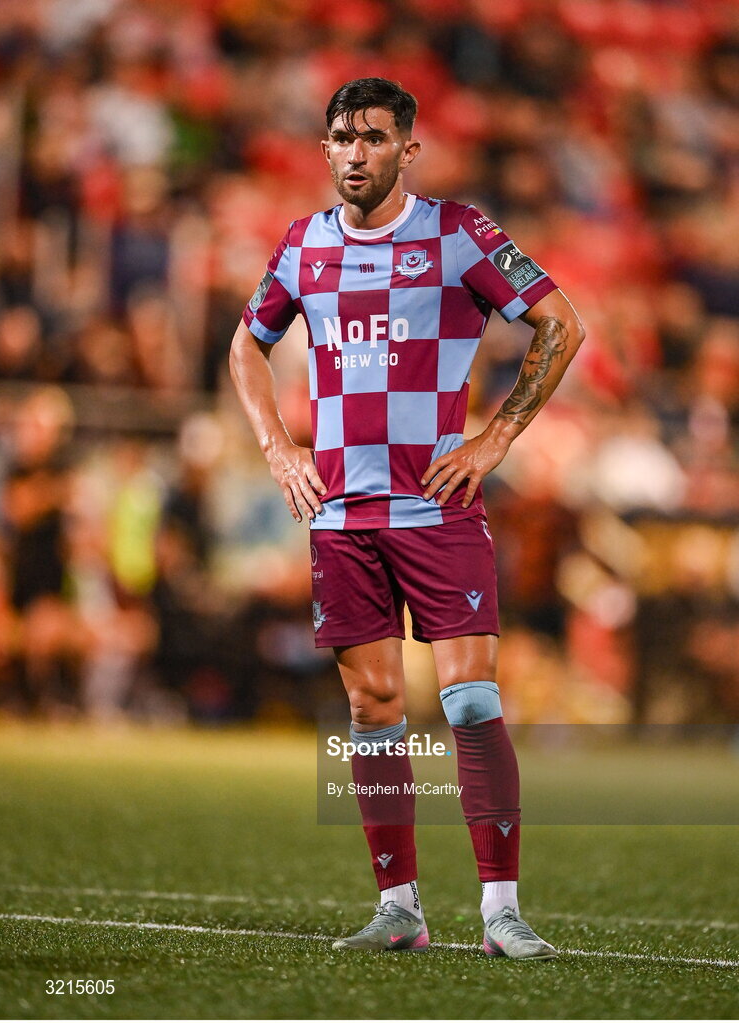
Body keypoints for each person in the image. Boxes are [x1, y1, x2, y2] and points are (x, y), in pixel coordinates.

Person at [230, 77, 585, 959]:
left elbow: (560, 324)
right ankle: (400, 907)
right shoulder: (304, 244)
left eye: (374, 138)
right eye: (342, 137)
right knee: (375, 707)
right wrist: (278, 449)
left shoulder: (460, 234)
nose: (355, 152)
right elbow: (247, 343)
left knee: (468, 699)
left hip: (437, 504)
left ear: (407, 150)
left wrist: (496, 438)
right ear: (325, 150)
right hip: (342, 514)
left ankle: (501, 910)